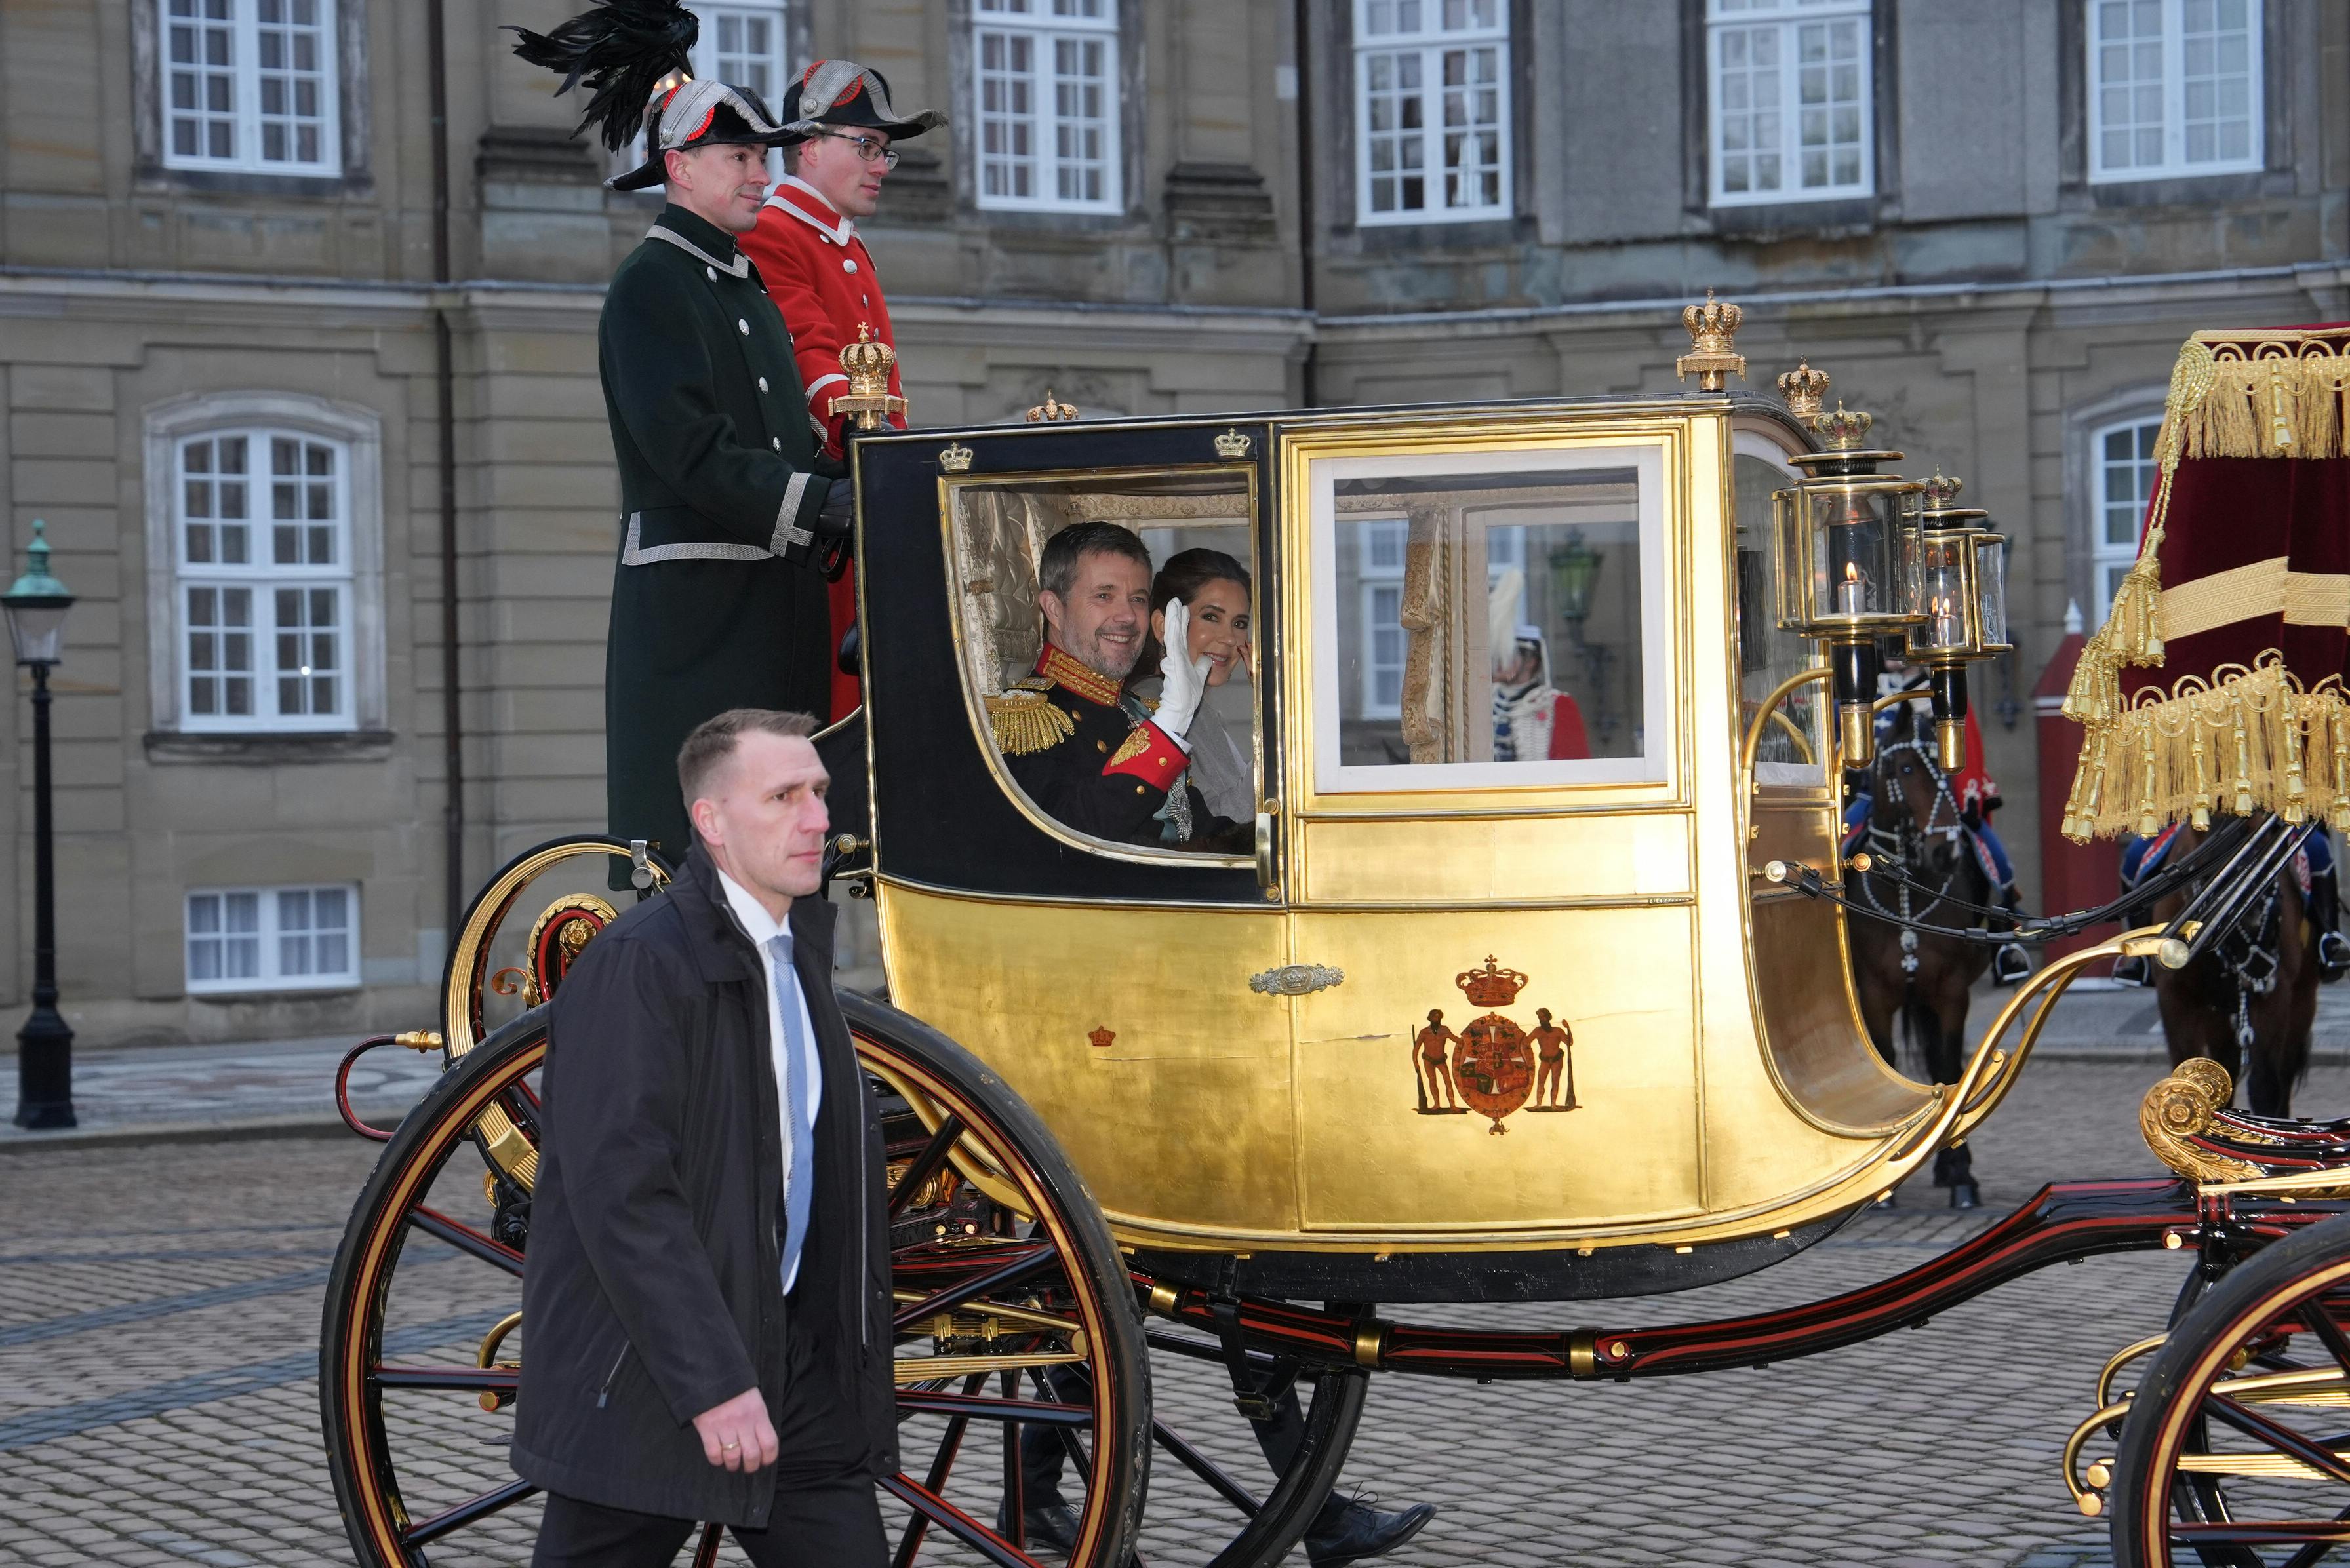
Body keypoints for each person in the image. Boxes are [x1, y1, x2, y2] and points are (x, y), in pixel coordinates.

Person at [511, 709, 894, 1568]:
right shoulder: (641, 963)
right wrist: (715, 1383)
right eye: (785, 796)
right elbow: (624, 1197)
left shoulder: (797, 958)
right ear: (712, 822)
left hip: (796, 1377)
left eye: (821, 793)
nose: (818, 819)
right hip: (654, 1381)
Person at [513, 0, 855, 874]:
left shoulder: (744, 290)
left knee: (782, 875)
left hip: (772, 626)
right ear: (680, 167)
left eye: (763, 157)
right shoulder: (652, 287)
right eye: (737, 156)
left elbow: (778, 449)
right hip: (702, 636)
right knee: (700, 893)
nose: (758, 174)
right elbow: (695, 455)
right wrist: (824, 502)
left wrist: (860, 474)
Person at [741, 59, 944, 724]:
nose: (881, 164)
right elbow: (810, 360)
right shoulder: (776, 232)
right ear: (808, 147)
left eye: (883, 150)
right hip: (836, 499)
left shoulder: (839, 242)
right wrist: (883, 457)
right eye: (866, 146)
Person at [987, 522, 1243, 850]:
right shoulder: (1027, 720)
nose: (1127, 616)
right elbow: (1071, 841)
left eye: (1137, 599)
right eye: (1104, 596)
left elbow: (1198, 831)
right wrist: (1169, 726)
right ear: (1054, 608)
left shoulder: (1134, 710)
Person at [1125, 547, 1256, 823]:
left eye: (1239, 623)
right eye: (1211, 617)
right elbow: (1211, 824)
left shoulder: (1204, 711)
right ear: (1163, 626)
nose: (1230, 638)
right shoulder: (1148, 708)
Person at [1492, 625, 1591, 762]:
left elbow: (1574, 767)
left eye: (1505, 656)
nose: (1497, 663)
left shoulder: (1557, 703)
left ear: (1530, 662)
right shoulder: (1483, 701)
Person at [1530, 1008, 1576, 1111]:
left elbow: (1570, 1043)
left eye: (1543, 1017)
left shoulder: (1558, 1031)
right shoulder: (1538, 1031)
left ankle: (1553, 1105)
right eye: (1539, 1018)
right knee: (1541, 1082)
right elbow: (1526, 1042)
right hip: (1545, 1060)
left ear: (1548, 1017)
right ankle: (1539, 1104)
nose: (1541, 1019)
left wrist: (1568, 1028)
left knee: (1555, 1082)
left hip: (1557, 1060)